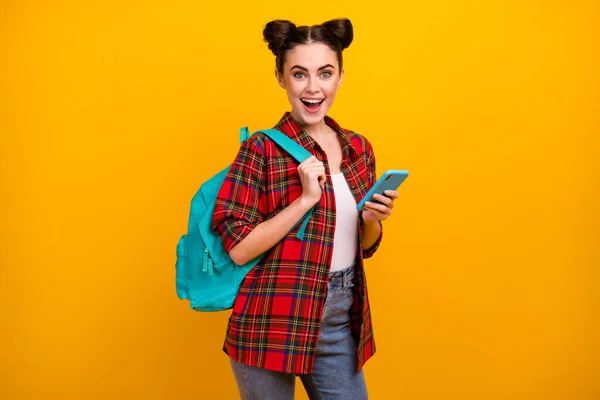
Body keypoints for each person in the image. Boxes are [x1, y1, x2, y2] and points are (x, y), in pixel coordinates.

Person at [211, 18, 400, 400]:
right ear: (281, 78)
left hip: (338, 318)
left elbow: (363, 246)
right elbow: (239, 248)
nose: (313, 88)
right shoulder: (261, 150)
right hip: (272, 317)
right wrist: (304, 200)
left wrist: (372, 220)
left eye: (325, 73)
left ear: (340, 77)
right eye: (299, 74)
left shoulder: (358, 148)